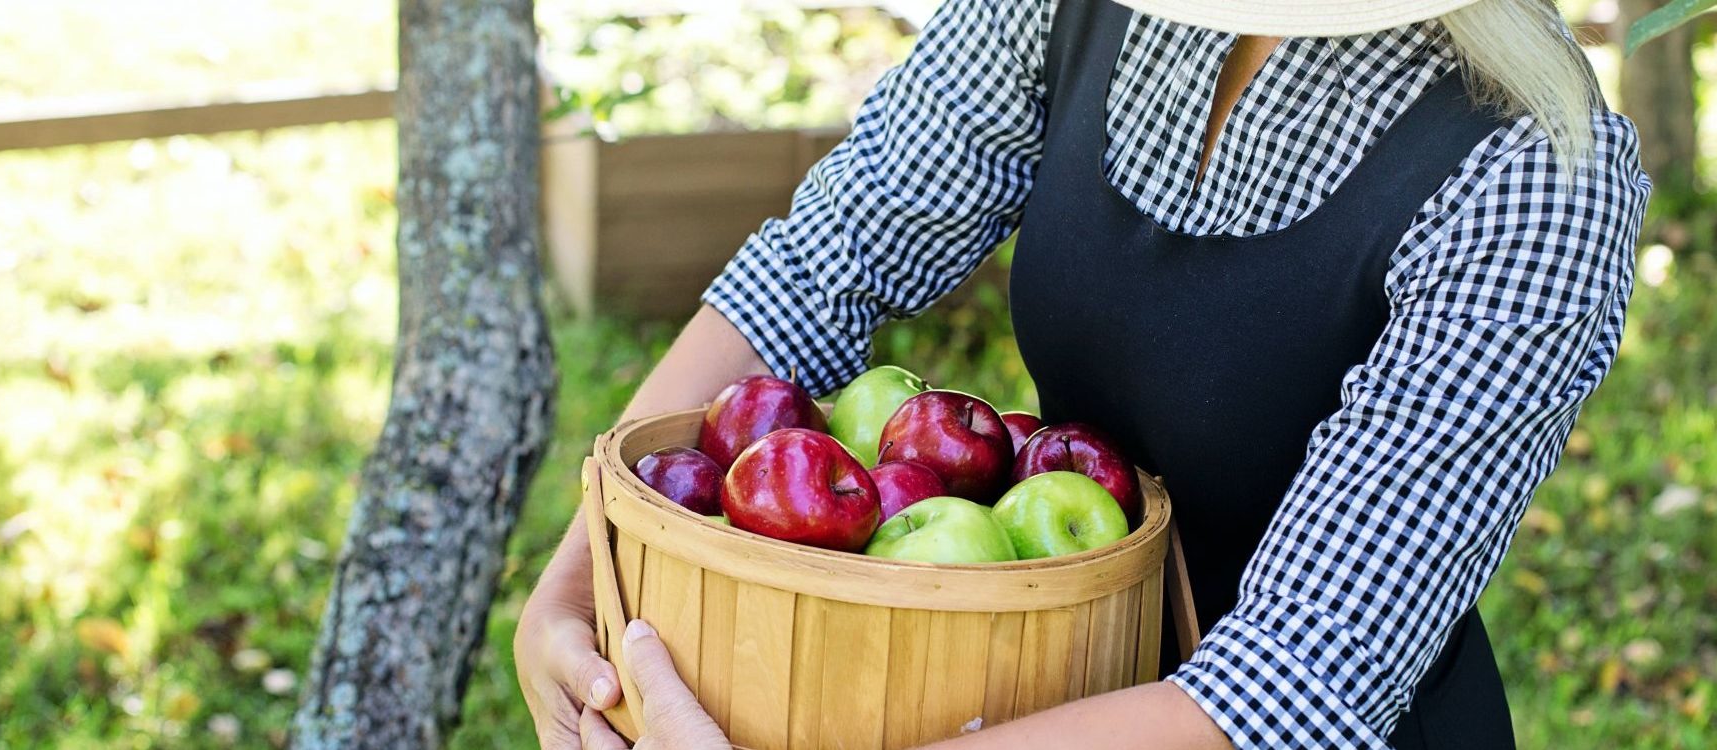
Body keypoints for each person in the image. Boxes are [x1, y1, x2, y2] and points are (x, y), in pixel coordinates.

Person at [515, 0, 1651, 746]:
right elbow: (827, 264)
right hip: (1036, 686)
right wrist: (583, 576)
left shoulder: (1534, 171)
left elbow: (1299, 682)